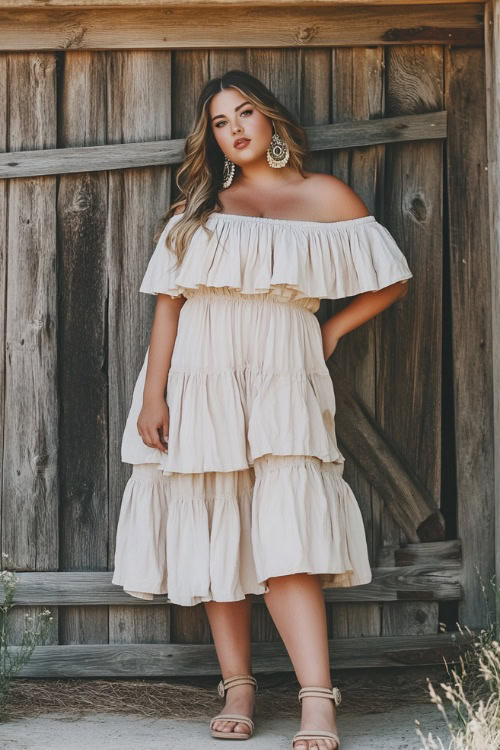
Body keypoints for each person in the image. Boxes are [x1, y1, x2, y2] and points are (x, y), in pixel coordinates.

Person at [112, 69, 413, 750]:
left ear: (270, 119)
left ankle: (317, 699)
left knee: (286, 534)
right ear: (212, 137)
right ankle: (238, 684)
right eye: (221, 122)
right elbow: (170, 303)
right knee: (218, 521)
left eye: (245, 113)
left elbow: (392, 278)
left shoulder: (324, 196)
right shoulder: (201, 205)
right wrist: (155, 392)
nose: (236, 129)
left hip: (283, 368)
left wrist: (332, 330)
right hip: (200, 372)